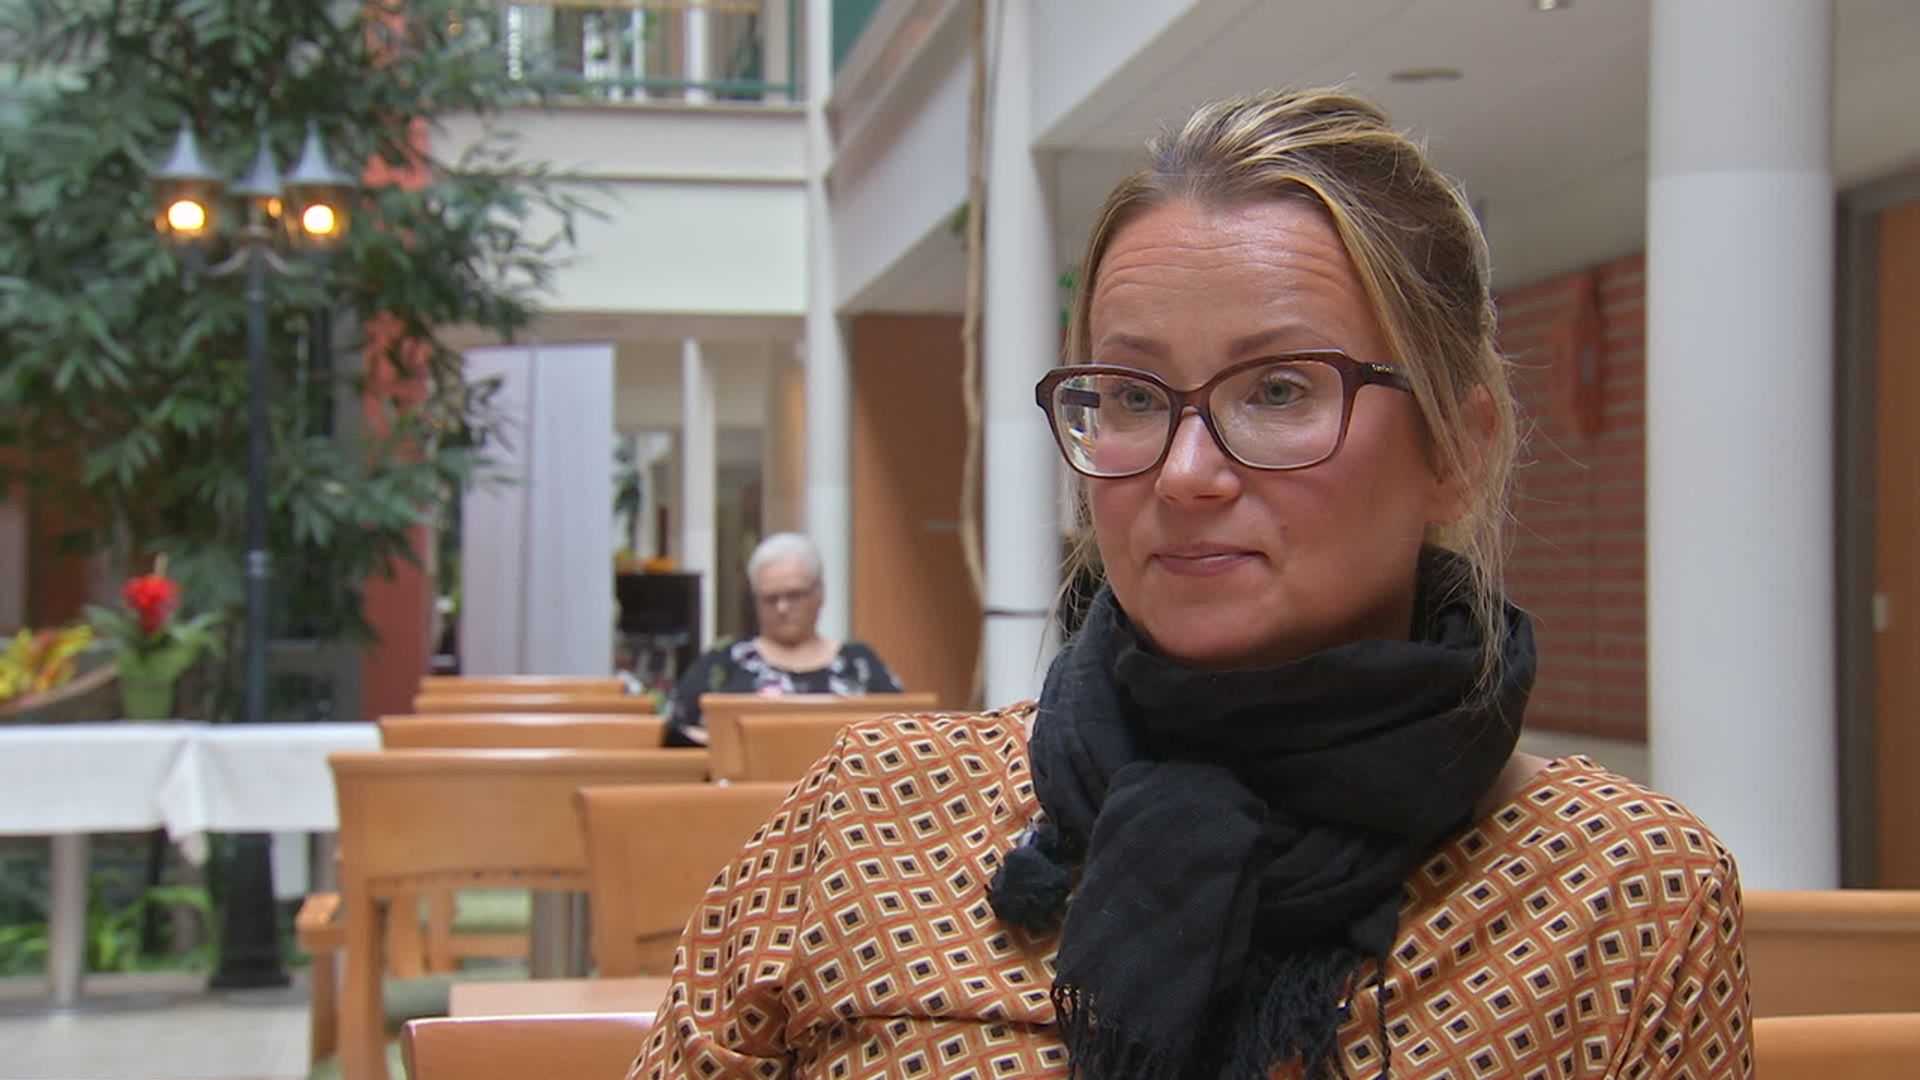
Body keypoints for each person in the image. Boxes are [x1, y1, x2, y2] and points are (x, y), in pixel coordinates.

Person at [631, 90, 1748, 1079]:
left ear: (1455, 447)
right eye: (1130, 396)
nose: (1184, 473)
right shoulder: (873, 818)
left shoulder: (1616, 897)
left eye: (1279, 390)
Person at [660, 532, 902, 747]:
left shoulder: (859, 663)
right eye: (770, 598)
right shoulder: (725, 660)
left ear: (819, 593)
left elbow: (905, 733)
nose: (782, 608)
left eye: (794, 595)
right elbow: (672, 729)